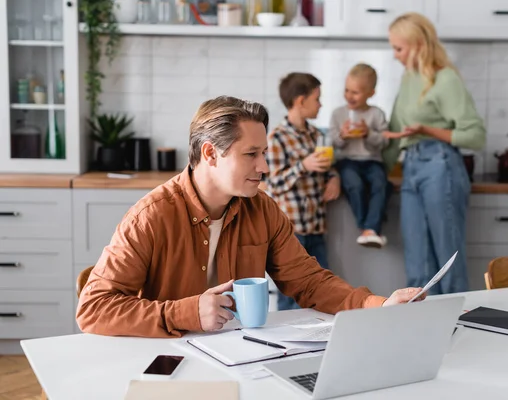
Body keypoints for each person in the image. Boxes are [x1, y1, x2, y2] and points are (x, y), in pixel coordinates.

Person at [76, 96, 425, 338]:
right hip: (170, 363)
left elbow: (309, 282)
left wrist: (379, 304)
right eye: (251, 155)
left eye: (264, 153)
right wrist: (184, 313)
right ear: (211, 154)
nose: (264, 167)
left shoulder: (262, 209)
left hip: (243, 357)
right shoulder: (150, 217)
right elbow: (93, 309)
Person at [382, 13, 486, 294]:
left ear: (418, 45)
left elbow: (476, 135)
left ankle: (457, 327)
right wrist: (375, 174)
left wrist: (428, 129)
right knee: (417, 263)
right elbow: (393, 132)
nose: (395, 55)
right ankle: (422, 329)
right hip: (411, 169)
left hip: (441, 167)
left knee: (448, 261)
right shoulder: (408, 79)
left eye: (398, 48)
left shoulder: (445, 79)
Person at [262, 72, 340, 311]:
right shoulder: (276, 138)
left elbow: (328, 168)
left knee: (322, 289)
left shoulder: (317, 135)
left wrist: (335, 177)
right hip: (291, 230)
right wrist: (302, 166)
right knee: (291, 296)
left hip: (316, 226)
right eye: (317, 99)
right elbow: (273, 184)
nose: (321, 104)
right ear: (300, 101)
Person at [330, 63, 389, 248]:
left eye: (356, 92)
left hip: (372, 161)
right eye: (347, 90)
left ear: (371, 93)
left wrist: (368, 134)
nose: (350, 96)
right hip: (347, 161)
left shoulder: (376, 114)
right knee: (353, 184)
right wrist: (342, 135)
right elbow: (332, 142)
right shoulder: (338, 114)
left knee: (381, 183)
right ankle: (367, 227)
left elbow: (385, 142)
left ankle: (370, 229)